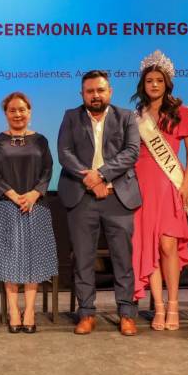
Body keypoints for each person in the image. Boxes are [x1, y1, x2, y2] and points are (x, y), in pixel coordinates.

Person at [58, 70, 141, 336]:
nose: (95, 95)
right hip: (82, 198)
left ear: (110, 92)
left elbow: (131, 152)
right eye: (90, 91)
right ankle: (86, 313)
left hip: (118, 197)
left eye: (100, 90)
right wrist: (91, 181)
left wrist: (102, 175)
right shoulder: (71, 117)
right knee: (83, 259)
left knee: (122, 259)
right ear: (82, 94)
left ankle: (127, 313)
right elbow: (64, 153)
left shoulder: (126, 116)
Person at [131, 50, 188, 331]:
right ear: (143, 85)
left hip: (170, 185)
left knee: (169, 245)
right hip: (143, 185)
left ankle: (173, 305)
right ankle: (158, 307)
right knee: (152, 248)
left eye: (159, 80)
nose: (154, 85)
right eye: (150, 81)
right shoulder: (136, 117)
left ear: (167, 83)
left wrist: (186, 184)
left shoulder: (181, 114)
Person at [0, 92, 57, 334]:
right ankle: (14, 310)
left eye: (22, 109)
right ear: (6, 113)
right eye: (12, 110)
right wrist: (14, 196)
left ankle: (30, 310)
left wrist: (35, 194)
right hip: (6, 206)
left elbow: (47, 171)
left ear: (30, 111)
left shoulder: (41, 141)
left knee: (33, 259)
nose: (18, 114)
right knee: (9, 259)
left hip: (36, 206)